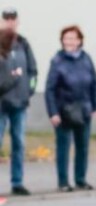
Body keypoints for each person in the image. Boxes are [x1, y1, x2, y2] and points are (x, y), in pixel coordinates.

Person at [44, 25, 96, 192]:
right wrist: (53, 112)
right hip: (64, 110)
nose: (69, 41)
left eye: (73, 38)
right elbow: (50, 89)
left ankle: (80, 179)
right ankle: (63, 182)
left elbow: (95, 84)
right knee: (63, 147)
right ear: (62, 41)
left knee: (82, 147)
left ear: (79, 41)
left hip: (83, 109)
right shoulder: (57, 60)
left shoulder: (86, 59)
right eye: (66, 38)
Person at [0, 8, 36, 196]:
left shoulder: (23, 43)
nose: (10, 22)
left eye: (13, 18)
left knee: (19, 143)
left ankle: (17, 181)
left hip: (19, 103)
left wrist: (28, 90)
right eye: (6, 18)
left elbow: (33, 72)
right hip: (1, 102)